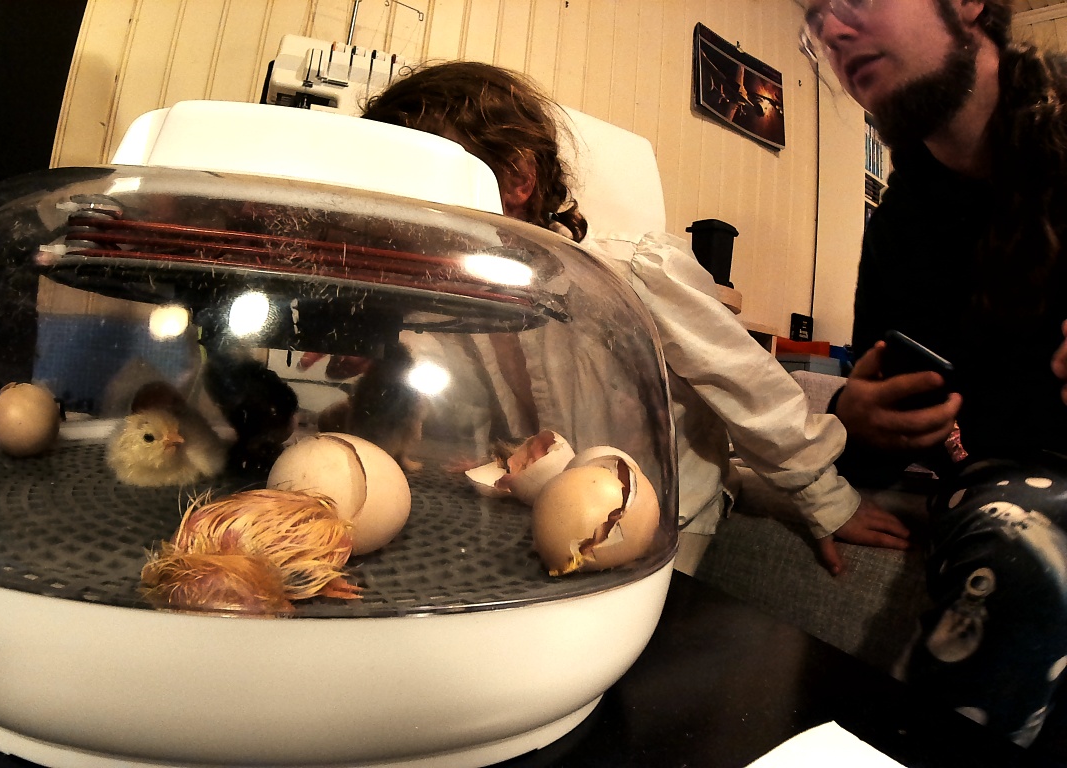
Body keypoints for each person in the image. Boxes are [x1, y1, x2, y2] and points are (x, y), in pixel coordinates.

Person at [359, 60, 910, 575]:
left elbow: (746, 384)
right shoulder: (470, 295)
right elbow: (473, 402)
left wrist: (825, 497)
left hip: (672, 511)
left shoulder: (634, 272)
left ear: (516, 179)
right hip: (550, 504)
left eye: (426, 185)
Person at [802, 0, 1067, 746]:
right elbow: (881, 438)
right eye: (814, 16)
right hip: (1006, 478)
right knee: (1022, 552)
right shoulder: (902, 225)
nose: (831, 29)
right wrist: (858, 417)